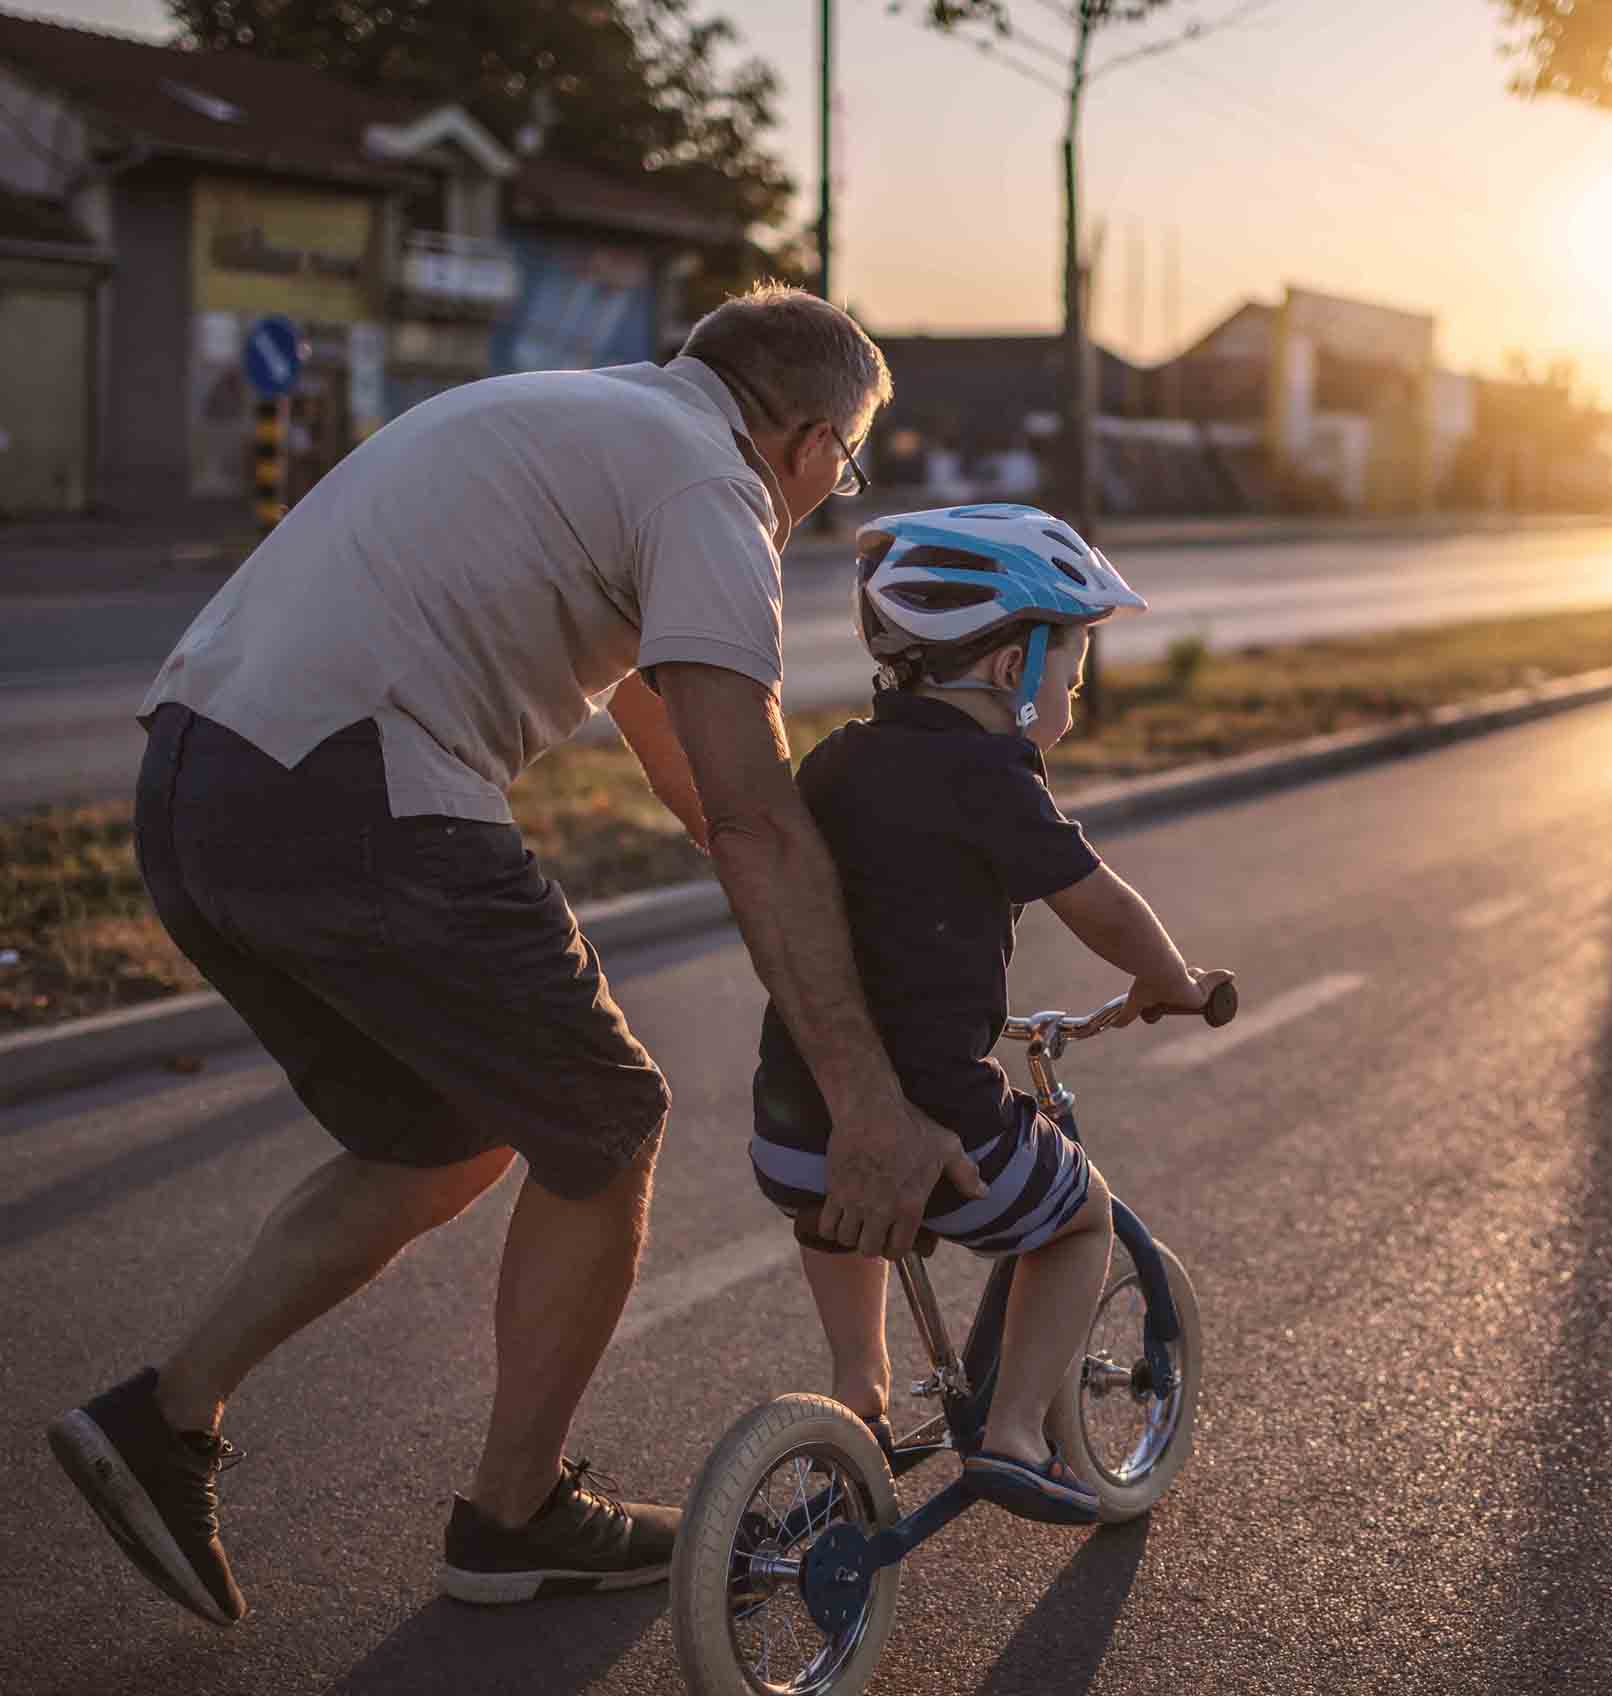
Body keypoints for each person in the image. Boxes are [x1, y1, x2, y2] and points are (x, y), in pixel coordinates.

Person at [47, 284, 985, 1627]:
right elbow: (754, 823)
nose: (825, 502)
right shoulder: (709, 490)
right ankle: (513, 1514)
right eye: (843, 468)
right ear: (803, 436)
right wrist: (868, 1098)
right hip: (355, 790)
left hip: (195, 786)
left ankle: (164, 1415)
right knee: (608, 1122)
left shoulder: (575, 422)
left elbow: (705, 791)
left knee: (447, 1134)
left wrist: (836, 946)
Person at [748, 505, 1229, 1523]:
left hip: (790, 1119)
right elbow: (1096, 897)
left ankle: (857, 1393)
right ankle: (1013, 1434)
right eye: (1073, 667)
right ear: (1013, 670)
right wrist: (1169, 978)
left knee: (836, 1212)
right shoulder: (990, 775)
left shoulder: (836, 759)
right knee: (1076, 1217)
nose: (1076, 690)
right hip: (935, 1120)